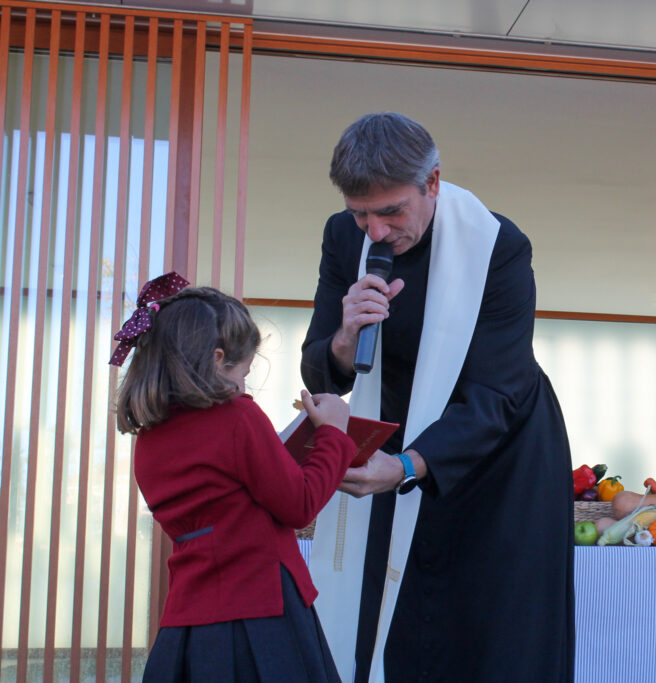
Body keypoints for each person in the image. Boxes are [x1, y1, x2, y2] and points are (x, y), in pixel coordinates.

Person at [301, 112, 574, 682]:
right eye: (360, 214)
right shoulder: (340, 236)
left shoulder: (499, 245)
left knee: (488, 633)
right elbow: (323, 372)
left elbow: (498, 390)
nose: (374, 232)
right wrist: (347, 339)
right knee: (387, 619)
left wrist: (405, 467)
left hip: (497, 450)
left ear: (433, 183)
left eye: (391, 211)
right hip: (391, 436)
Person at [113, 280, 358, 682]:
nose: (243, 387)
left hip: (188, 623)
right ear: (217, 358)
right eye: (242, 374)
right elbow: (300, 504)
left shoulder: (148, 439)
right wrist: (333, 433)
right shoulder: (237, 417)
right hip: (264, 613)